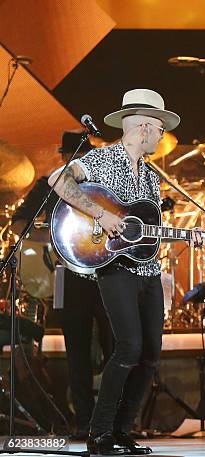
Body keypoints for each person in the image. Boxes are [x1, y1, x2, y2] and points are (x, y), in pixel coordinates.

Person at [48, 89, 205, 455]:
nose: (163, 137)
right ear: (145, 126)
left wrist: (189, 236)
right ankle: (99, 433)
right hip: (115, 269)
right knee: (128, 346)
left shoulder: (151, 177)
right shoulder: (101, 160)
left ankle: (121, 431)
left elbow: (145, 235)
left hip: (147, 270)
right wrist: (100, 213)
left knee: (150, 354)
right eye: (160, 129)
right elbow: (58, 179)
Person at [11, 131, 113, 439]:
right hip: (70, 276)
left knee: (115, 348)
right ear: (64, 157)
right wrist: (57, 241)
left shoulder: (103, 188)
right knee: (77, 350)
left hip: (106, 275)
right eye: (74, 157)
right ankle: (84, 420)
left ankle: (114, 422)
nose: (78, 163)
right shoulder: (48, 186)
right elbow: (19, 224)